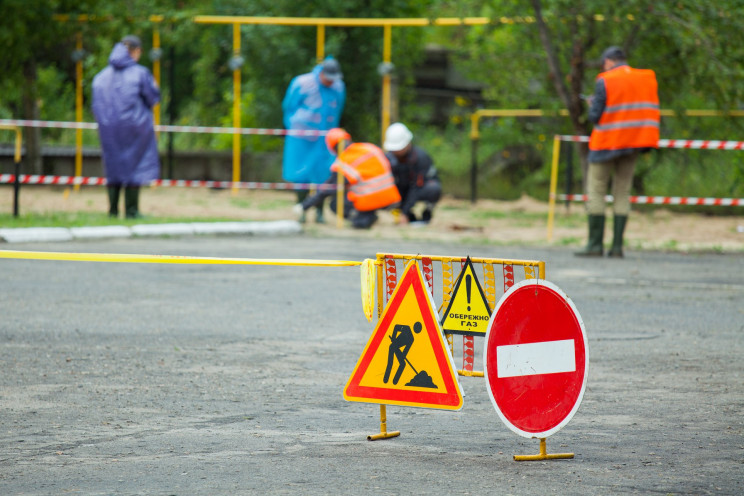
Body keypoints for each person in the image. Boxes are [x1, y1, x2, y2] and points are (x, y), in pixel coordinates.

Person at [576, 46, 660, 258]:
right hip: (633, 144)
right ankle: (617, 248)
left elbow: (595, 116)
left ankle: (595, 246)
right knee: (622, 192)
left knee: (596, 191)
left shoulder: (605, 80)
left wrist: (592, 104)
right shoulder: (646, 78)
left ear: (609, 61)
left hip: (606, 143)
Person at [92, 35, 161, 219]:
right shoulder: (140, 73)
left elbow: (95, 103)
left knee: (113, 167)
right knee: (134, 167)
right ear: (136, 51)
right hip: (136, 128)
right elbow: (153, 97)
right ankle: (132, 211)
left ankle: (112, 211)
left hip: (108, 129)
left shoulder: (101, 76)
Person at [282, 57, 346, 224]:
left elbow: (338, 109)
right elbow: (289, 107)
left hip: (325, 140)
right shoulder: (302, 83)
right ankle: (301, 209)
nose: (331, 82)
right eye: (328, 78)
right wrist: (295, 126)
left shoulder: (338, 87)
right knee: (300, 175)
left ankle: (319, 212)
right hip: (301, 139)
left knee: (324, 175)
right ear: (321, 73)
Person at [298, 128, 401, 229]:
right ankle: (369, 214)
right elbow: (392, 163)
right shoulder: (369, 147)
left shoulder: (344, 161)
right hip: (391, 197)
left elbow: (327, 189)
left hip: (370, 200)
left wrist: (304, 206)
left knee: (336, 204)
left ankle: (363, 218)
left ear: (333, 148)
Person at [383, 122, 442, 224]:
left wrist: (404, 213)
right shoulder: (389, 158)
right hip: (401, 189)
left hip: (419, 189)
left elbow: (416, 187)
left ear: (407, 143)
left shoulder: (421, 158)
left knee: (433, 189)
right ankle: (408, 215)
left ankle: (426, 214)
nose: (396, 152)